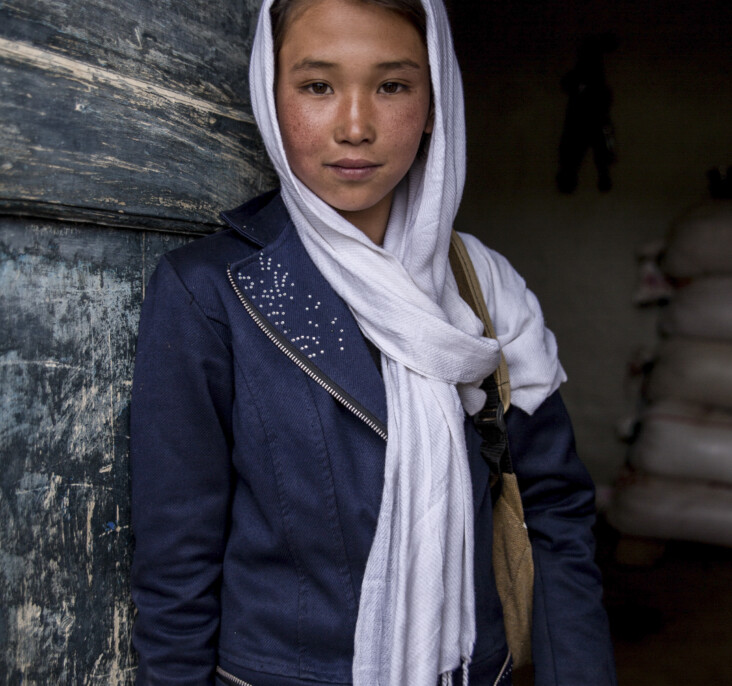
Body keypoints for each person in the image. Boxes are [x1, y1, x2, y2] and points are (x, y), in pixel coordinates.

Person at [129, 0, 617, 685]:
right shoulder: (210, 293)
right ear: (270, 97)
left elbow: (555, 515)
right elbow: (176, 566)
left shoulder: (483, 288)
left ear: (435, 98)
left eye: (392, 85)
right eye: (317, 86)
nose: (355, 127)